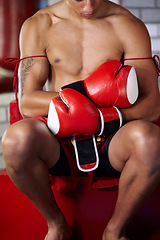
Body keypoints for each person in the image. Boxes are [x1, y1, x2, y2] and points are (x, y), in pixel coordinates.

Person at [2, 0, 160, 239]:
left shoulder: (128, 25)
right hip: (59, 140)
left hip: (112, 139)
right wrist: (86, 96)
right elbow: (28, 102)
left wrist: (99, 118)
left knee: (151, 141)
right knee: (15, 139)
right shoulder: (39, 25)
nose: (88, 7)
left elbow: (152, 105)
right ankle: (56, 225)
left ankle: (114, 231)